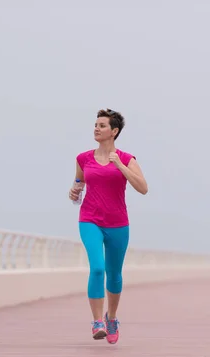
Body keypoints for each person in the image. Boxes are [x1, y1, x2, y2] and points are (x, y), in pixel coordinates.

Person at [68, 108, 148, 344]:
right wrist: (74, 191)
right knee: (98, 268)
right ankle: (97, 322)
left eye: (102, 126)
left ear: (114, 132)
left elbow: (143, 188)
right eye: (95, 124)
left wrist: (120, 166)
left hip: (118, 223)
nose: (96, 128)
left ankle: (111, 317)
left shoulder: (126, 159)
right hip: (90, 219)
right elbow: (78, 183)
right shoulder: (83, 158)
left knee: (114, 274)